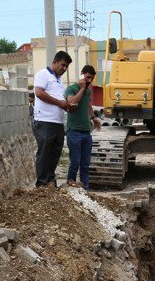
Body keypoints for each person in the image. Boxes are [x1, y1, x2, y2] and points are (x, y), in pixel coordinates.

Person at [32, 51, 75, 187]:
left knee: (55, 152)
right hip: (44, 120)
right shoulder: (43, 74)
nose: (64, 68)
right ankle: (42, 183)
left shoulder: (59, 81)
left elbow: (59, 100)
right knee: (44, 152)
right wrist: (59, 103)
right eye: (63, 65)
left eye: (66, 66)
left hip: (57, 122)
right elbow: (39, 93)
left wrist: (67, 106)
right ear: (55, 62)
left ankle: (50, 179)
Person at [63, 64, 102, 189]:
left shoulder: (88, 91)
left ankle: (85, 189)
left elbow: (88, 104)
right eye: (87, 77)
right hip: (73, 132)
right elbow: (72, 102)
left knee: (85, 164)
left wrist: (93, 118)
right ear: (82, 75)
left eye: (91, 79)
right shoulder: (72, 88)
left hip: (86, 133)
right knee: (75, 162)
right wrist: (81, 88)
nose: (89, 81)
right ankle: (71, 188)